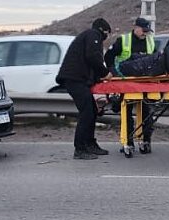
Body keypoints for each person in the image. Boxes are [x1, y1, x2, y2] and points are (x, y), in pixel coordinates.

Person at [55, 18, 112, 160]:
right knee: (86, 112)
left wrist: (98, 78)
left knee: (92, 111)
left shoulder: (88, 36)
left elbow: (88, 63)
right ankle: (80, 148)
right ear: (103, 30)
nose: (106, 37)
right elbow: (92, 57)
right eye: (107, 33)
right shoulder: (93, 35)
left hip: (78, 79)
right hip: (74, 80)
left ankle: (90, 144)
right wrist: (105, 73)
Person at [104, 17, 157, 156]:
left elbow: (156, 59)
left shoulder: (150, 41)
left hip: (144, 83)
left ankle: (145, 140)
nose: (145, 33)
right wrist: (114, 73)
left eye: (147, 31)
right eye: (143, 30)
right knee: (126, 112)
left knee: (146, 112)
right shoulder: (124, 40)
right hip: (125, 82)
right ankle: (128, 142)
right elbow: (108, 57)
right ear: (136, 27)